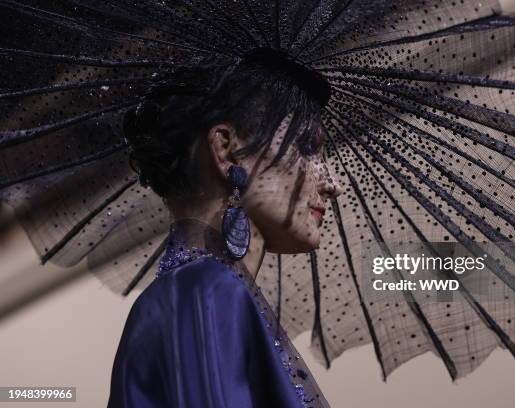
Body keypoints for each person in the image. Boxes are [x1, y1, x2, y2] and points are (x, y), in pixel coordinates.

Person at [107, 55, 340, 407]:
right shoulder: (205, 293)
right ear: (227, 149)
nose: (332, 183)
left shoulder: (194, 292)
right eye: (307, 147)